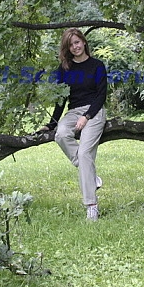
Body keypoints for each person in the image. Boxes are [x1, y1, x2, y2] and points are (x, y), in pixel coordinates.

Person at [37, 28, 107, 221]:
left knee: (84, 153)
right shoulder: (65, 69)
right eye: (71, 44)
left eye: (77, 42)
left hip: (94, 111)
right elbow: (61, 99)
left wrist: (87, 116)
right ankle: (90, 176)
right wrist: (51, 124)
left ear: (83, 42)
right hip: (73, 111)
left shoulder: (97, 66)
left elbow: (101, 95)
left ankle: (91, 206)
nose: (75, 47)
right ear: (67, 48)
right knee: (60, 135)